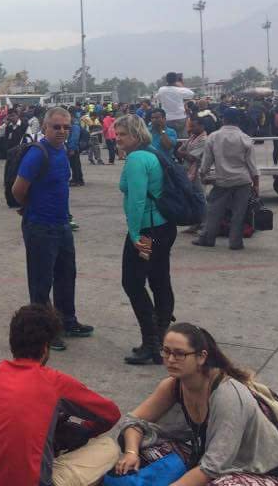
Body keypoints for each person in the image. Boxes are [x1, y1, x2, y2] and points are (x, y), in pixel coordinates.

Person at [0, 304, 121, 486]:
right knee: (108, 447)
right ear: (45, 348)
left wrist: (6, 405)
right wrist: (87, 430)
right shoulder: (57, 382)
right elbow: (111, 414)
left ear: (12, 341)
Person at [115, 323, 278, 485]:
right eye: (166, 351)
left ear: (201, 357)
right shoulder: (174, 385)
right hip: (208, 461)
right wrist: (131, 453)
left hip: (257, 472)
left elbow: (214, 466)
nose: (170, 359)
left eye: (180, 354)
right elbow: (133, 421)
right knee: (145, 446)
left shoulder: (227, 395)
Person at [11, 107, 93, 351]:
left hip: (62, 225)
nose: (61, 131)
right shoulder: (38, 154)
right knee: (40, 283)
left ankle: (67, 321)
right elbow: (17, 190)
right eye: (56, 127)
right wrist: (32, 207)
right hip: (40, 227)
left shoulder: (62, 152)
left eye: (66, 127)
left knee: (66, 276)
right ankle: (43, 332)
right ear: (45, 127)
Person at [114, 114, 177, 366]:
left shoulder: (137, 159)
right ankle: (161, 339)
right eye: (116, 134)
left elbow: (137, 200)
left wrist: (134, 234)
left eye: (123, 134)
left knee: (132, 282)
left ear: (136, 135)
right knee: (160, 280)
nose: (118, 138)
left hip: (148, 229)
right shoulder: (152, 152)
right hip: (163, 226)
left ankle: (151, 342)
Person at [194, 109, 258, 251]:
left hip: (222, 180)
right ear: (238, 121)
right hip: (242, 180)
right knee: (239, 213)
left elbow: (207, 161)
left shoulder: (213, 137)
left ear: (223, 120)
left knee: (213, 211)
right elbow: (252, 166)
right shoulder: (245, 138)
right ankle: (235, 243)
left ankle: (207, 239)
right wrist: (256, 185)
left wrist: (203, 174)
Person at [177, 115, 208, 234]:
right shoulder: (192, 137)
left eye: (194, 126)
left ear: (201, 126)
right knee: (192, 198)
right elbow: (179, 151)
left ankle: (204, 224)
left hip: (198, 171)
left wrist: (184, 153)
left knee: (200, 198)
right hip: (188, 170)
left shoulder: (204, 140)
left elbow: (191, 156)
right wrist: (185, 153)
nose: (191, 128)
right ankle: (195, 223)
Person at [156, 72, 195, 138]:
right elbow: (192, 94)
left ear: (166, 80)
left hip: (167, 118)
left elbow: (158, 97)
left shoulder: (161, 90)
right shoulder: (179, 90)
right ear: (176, 80)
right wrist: (180, 86)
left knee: (169, 137)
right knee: (182, 138)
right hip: (180, 118)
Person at [66, 113, 85, 186]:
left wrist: (72, 149)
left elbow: (74, 138)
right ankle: (77, 179)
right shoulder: (75, 124)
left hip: (74, 148)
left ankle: (77, 180)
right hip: (73, 147)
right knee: (74, 164)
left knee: (75, 164)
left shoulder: (75, 126)